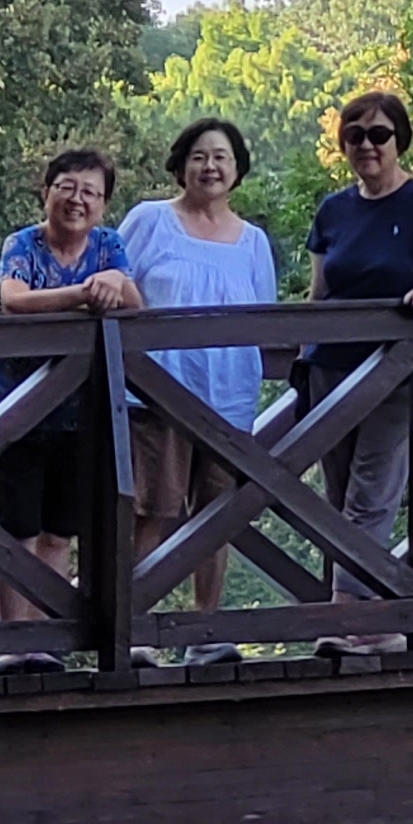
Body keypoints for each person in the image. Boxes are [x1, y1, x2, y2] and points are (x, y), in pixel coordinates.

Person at [301, 90, 413, 656]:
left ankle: (349, 619)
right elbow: (319, 293)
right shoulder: (332, 211)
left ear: (400, 140)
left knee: (371, 492)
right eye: (355, 136)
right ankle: (370, 619)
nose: (367, 146)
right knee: (337, 497)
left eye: (379, 135)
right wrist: (297, 353)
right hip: (330, 366)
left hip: (395, 369)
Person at [118, 118, 273, 666]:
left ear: (237, 169)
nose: (211, 167)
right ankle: (133, 629)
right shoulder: (150, 220)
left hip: (228, 397)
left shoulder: (253, 241)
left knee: (216, 516)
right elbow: (115, 284)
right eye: (200, 156)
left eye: (222, 157)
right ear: (181, 165)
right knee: (152, 511)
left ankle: (205, 631)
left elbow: (266, 320)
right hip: (156, 392)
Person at [0, 148, 138, 672]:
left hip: (80, 412)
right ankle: (13, 643)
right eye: (67, 187)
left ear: (104, 204)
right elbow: (14, 300)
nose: (78, 200)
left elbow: (134, 302)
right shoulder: (22, 244)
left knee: (58, 531)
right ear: (46, 191)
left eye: (91, 192)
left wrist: (114, 285)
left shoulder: (109, 245)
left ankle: (46, 642)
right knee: (17, 529)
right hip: (16, 407)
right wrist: (85, 293)